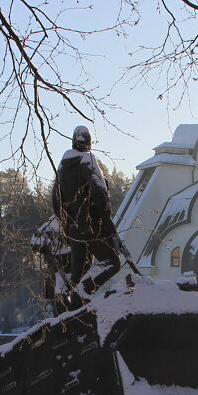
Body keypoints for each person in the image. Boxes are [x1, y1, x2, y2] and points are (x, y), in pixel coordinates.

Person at [52, 126, 122, 304]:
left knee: (80, 271)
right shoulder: (88, 161)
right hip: (93, 225)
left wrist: (67, 224)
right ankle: (83, 291)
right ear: (88, 143)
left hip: (73, 229)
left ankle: (73, 308)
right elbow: (100, 194)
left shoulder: (62, 168)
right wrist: (107, 223)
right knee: (111, 261)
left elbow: (56, 201)